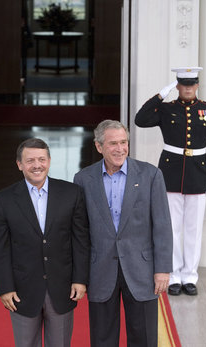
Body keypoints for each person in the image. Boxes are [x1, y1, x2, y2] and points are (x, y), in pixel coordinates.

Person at [73, 120, 173, 347]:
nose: (120, 149)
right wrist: (79, 276)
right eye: (113, 144)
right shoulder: (83, 179)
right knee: (102, 338)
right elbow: (80, 233)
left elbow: (162, 225)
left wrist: (162, 269)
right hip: (100, 269)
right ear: (99, 147)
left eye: (123, 142)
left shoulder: (150, 175)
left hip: (142, 269)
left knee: (144, 338)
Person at [0, 138, 90, 347]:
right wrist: (5, 287)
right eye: (30, 160)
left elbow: (80, 240)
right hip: (21, 292)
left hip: (62, 288)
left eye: (41, 159)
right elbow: (0, 249)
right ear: (19, 164)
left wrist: (80, 279)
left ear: (50, 161)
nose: (37, 165)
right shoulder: (3, 199)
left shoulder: (72, 193)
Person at [135, 67, 206, 296]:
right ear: (177, 86)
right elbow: (140, 120)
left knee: (193, 229)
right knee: (170, 227)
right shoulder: (166, 109)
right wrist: (159, 96)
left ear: (197, 85)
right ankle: (173, 275)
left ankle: (190, 276)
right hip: (170, 173)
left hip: (197, 174)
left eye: (191, 84)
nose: (187, 88)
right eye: (183, 84)